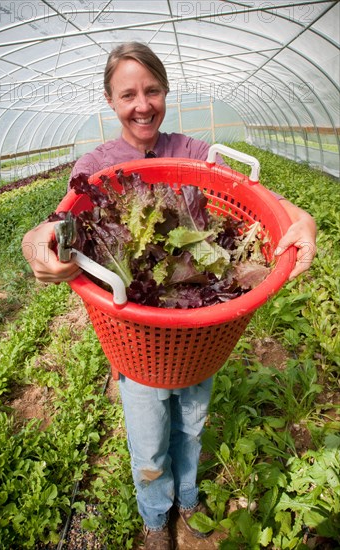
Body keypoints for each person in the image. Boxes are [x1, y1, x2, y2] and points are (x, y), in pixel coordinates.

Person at [22, 42, 317, 550]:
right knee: (149, 439)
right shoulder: (97, 165)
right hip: (135, 340)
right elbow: (50, 228)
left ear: (165, 91)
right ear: (111, 101)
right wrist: (36, 245)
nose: (143, 105)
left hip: (201, 335)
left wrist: (305, 222)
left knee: (193, 425)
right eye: (128, 94)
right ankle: (156, 518)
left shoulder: (197, 154)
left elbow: (279, 208)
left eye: (152, 90)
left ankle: (188, 497)